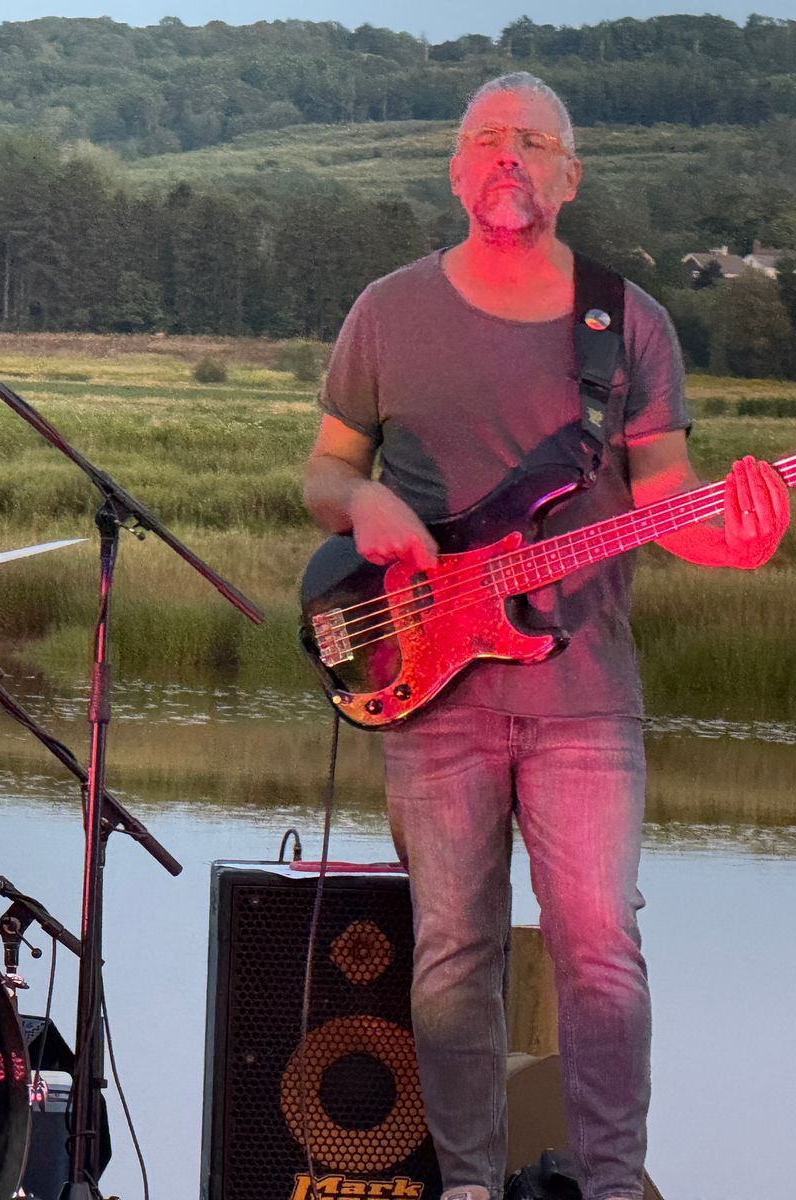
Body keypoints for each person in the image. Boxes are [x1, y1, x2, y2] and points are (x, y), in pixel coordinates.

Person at [302, 73, 789, 1200]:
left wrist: (740, 540)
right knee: (451, 952)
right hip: (428, 686)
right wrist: (363, 503)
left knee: (601, 949)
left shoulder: (630, 322)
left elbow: (669, 503)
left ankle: (614, 1185)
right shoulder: (386, 311)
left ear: (570, 176)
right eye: (487, 138)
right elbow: (325, 469)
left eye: (532, 140)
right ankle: (469, 1184)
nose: (507, 156)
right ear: (455, 170)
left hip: (584, 697)